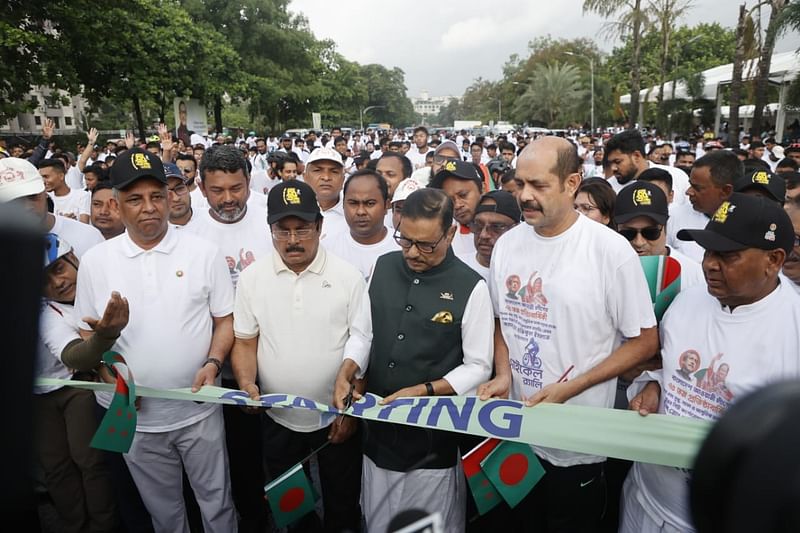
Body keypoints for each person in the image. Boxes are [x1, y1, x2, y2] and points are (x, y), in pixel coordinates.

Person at [482, 136, 658, 532]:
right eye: (520, 183)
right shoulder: (508, 244)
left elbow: (645, 340)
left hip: (577, 443)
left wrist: (573, 387)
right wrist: (504, 373)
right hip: (517, 432)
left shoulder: (610, 252)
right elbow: (499, 318)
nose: (524, 196)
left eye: (539, 185)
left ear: (572, 182)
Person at [74, 148, 237, 532]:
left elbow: (224, 320)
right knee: (163, 510)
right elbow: (86, 332)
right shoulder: (97, 261)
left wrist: (213, 364)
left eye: (157, 196)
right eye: (135, 199)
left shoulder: (203, 252)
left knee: (216, 502)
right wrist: (108, 370)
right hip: (134, 417)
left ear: (170, 197)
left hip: (198, 411)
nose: (149, 207)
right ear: (116, 204)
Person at [621, 193, 800, 533]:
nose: (709, 264)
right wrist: (654, 385)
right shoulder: (687, 301)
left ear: (773, 259)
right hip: (645, 495)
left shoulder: (794, 330)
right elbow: (666, 365)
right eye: (708, 251)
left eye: (727, 256)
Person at [333, 188, 494, 533]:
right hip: (378, 433)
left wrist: (424, 390)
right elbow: (364, 334)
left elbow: (479, 366)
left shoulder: (471, 287)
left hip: (432, 438)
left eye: (426, 245)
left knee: (428, 524)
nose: (413, 253)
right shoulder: (384, 265)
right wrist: (347, 369)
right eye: (405, 240)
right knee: (378, 518)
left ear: (450, 233)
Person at [232, 180, 370, 532]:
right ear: (271, 230)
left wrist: (350, 403)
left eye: (302, 229)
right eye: (283, 230)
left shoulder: (347, 278)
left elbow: (362, 338)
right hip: (278, 418)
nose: (293, 240)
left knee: (341, 502)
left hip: (335, 418)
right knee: (290, 505)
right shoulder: (251, 279)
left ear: (320, 228)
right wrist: (247, 382)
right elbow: (246, 342)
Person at [37, 233, 123, 532]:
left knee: (90, 461)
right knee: (57, 468)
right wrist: (106, 334)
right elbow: (76, 355)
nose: (58, 282)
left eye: (59, 269)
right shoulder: (45, 311)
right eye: (45, 279)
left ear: (74, 258)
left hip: (79, 388)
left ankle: (104, 526)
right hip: (40, 396)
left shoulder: (103, 287)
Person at [614, 180, 705, 288]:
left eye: (650, 233)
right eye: (628, 233)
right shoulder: (606, 272)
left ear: (666, 227)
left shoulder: (694, 275)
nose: (639, 242)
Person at [324, 169, 399, 281]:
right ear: (343, 205)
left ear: (386, 205)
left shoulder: (403, 247)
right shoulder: (326, 250)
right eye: (353, 203)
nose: (360, 211)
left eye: (370, 203)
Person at [667, 150, 741, 263]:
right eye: (690, 185)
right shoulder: (673, 216)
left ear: (726, 191)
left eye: (697, 188)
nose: (688, 192)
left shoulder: (749, 224)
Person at [606, 129, 690, 205]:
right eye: (610, 163)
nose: (613, 168)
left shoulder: (678, 177)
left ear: (636, 156)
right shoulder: (608, 189)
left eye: (617, 162)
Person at [427, 158, 484, 264]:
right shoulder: (442, 238)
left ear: (482, 189)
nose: (457, 205)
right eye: (450, 200)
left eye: (463, 195)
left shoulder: (507, 230)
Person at [464, 190, 521, 279]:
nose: (484, 235)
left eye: (496, 227)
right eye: (478, 225)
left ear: (516, 229)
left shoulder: (528, 272)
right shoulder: (459, 269)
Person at [302, 146, 348, 241]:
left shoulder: (353, 213)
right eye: (317, 171)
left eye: (334, 171)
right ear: (305, 177)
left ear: (343, 179)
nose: (326, 177)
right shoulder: (292, 209)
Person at [39, 158, 90, 223]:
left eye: (46, 177)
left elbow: (84, 225)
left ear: (61, 176)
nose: (43, 181)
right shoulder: (44, 199)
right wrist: (64, 221)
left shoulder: (82, 196)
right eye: (41, 177)